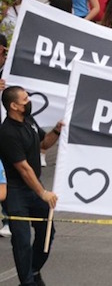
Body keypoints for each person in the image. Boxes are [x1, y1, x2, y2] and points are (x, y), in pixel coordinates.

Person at [0, 86, 64, 286]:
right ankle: (27, 282)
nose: (29, 102)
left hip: (34, 188)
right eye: (25, 100)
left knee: (47, 231)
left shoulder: (29, 121)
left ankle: (34, 270)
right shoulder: (7, 132)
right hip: (16, 191)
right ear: (14, 106)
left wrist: (56, 130)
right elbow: (23, 168)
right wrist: (43, 193)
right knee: (21, 239)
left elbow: (43, 144)